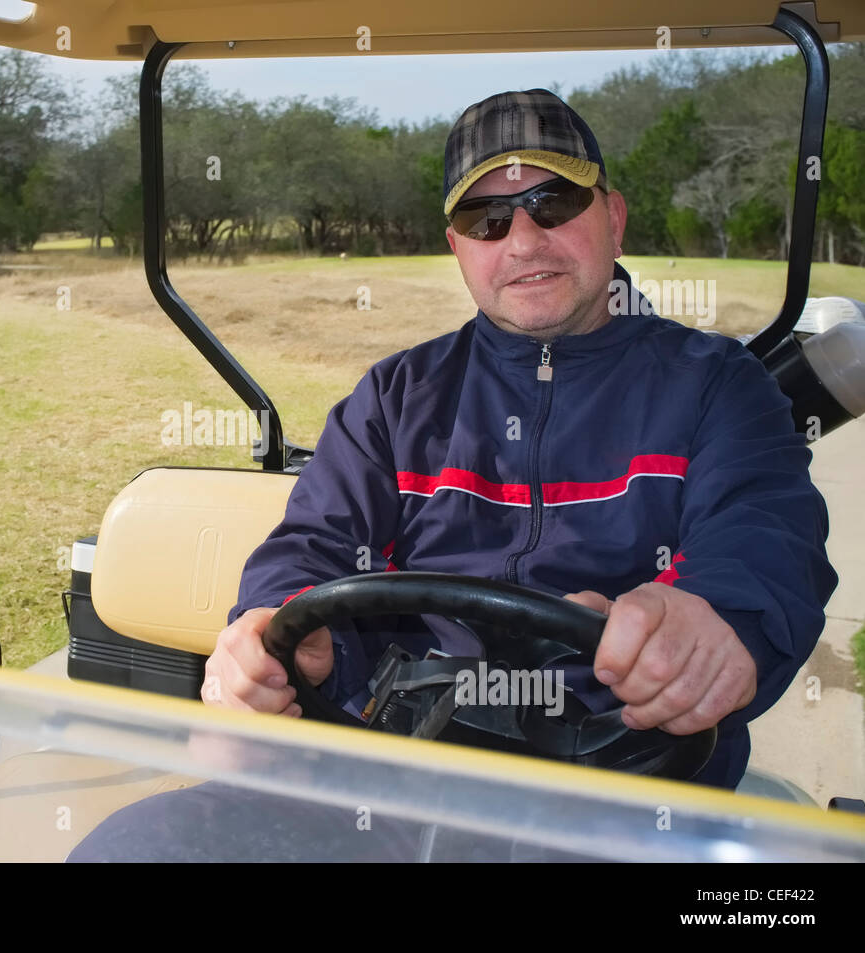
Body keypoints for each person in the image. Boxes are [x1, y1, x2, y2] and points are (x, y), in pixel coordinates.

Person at [67, 89, 837, 862]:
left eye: (554, 200)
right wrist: (270, 632)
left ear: (614, 215)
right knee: (135, 847)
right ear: (458, 245)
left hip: (626, 790)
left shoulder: (715, 384)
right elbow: (311, 546)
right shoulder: (397, 399)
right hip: (394, 778)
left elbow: (764, 529)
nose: (524, 239)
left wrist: (721, 618)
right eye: (487, 219)